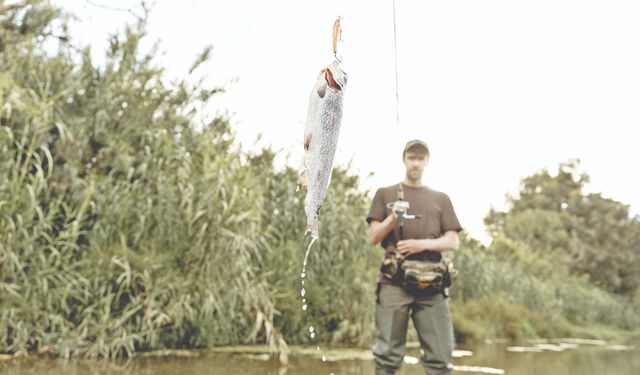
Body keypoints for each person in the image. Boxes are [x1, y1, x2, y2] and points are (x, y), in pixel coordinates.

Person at [366, 139, 462, 375]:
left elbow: (452, 241)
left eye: (420, 158)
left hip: (433, 284)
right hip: (393, 282)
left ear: (427, 161)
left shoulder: (441, 198)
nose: (416, 162)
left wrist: (423, 244)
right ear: (404, 159)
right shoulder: (385, 193)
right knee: (387, 356)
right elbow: (373, 238)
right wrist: (392, 217)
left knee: (440, 357)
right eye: (412, 157)